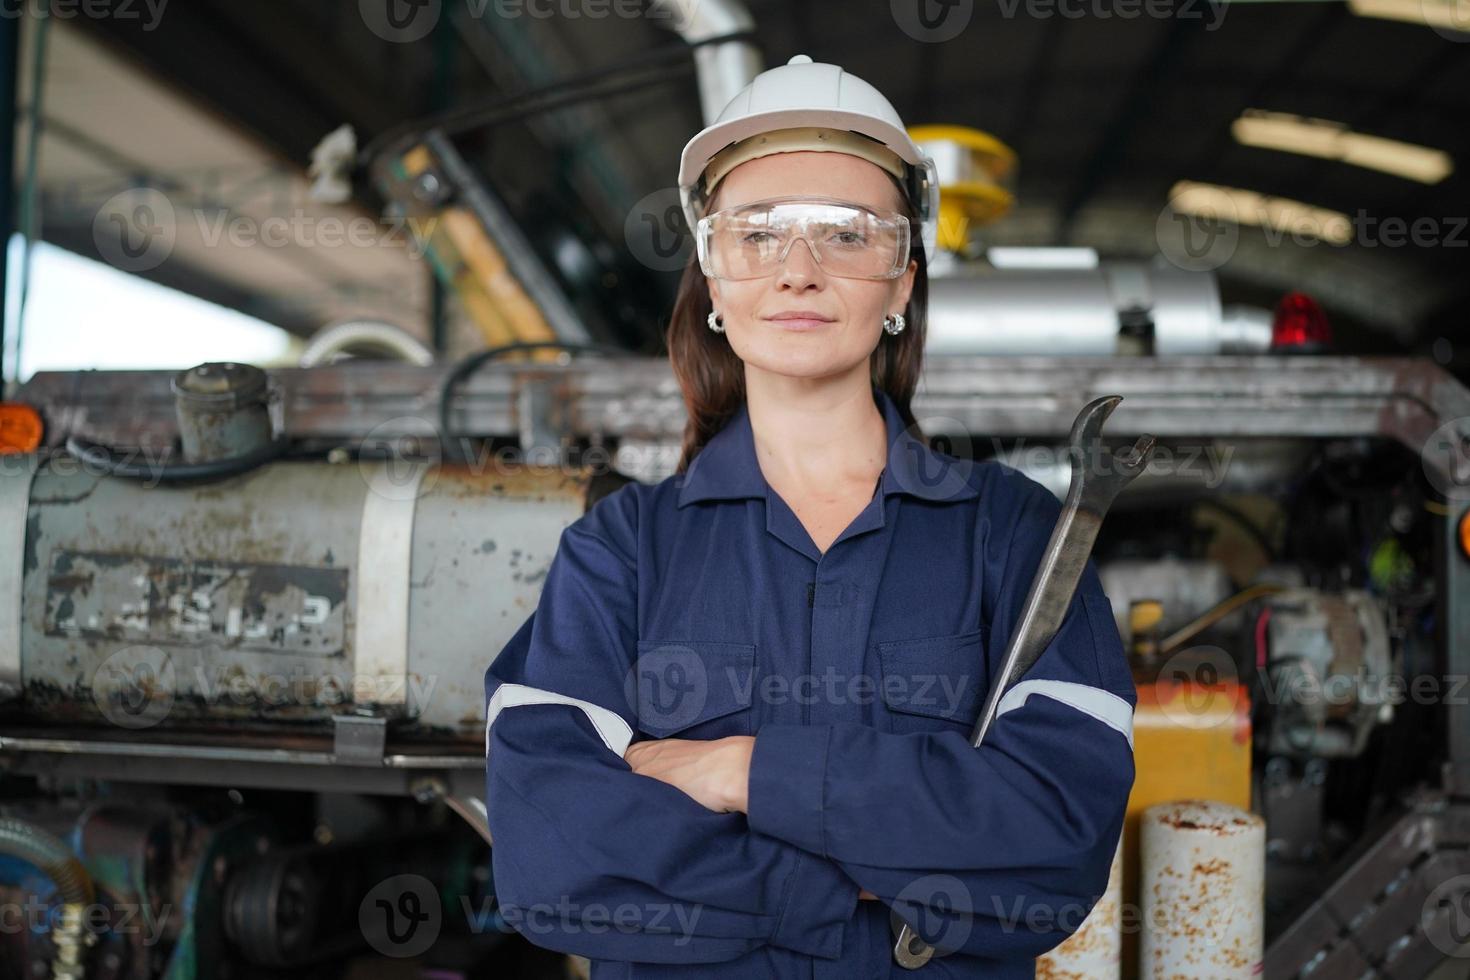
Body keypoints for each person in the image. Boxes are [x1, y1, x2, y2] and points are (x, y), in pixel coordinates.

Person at [483, 54, 1136, 979]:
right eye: (757, 234)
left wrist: (744, 774)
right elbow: (553, 857)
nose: (798, 271)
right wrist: (853, 882)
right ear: (712, 280)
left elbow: (1054, 845)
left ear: (903, 282)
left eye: (847, 233)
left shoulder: (1018, 538)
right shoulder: (618, 553)